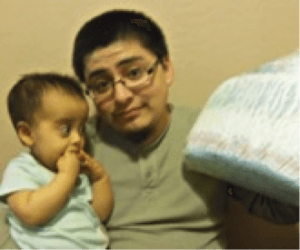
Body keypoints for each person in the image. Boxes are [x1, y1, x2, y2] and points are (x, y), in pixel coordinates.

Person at [71, 9, 298, 250]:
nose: (122, 96)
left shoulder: (211, 132)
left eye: (135, 73)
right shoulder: (77, 145)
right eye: (102, 84)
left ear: (166, 69)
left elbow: (278, 209)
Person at [0, 73, 114, 250]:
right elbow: (29, 213)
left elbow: (99, 215)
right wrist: (66, 177)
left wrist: (100, 179)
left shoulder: (77, 173)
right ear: (27, 134)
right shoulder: (22, 169)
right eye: (65, 129)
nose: (77, 139)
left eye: (81, 128)